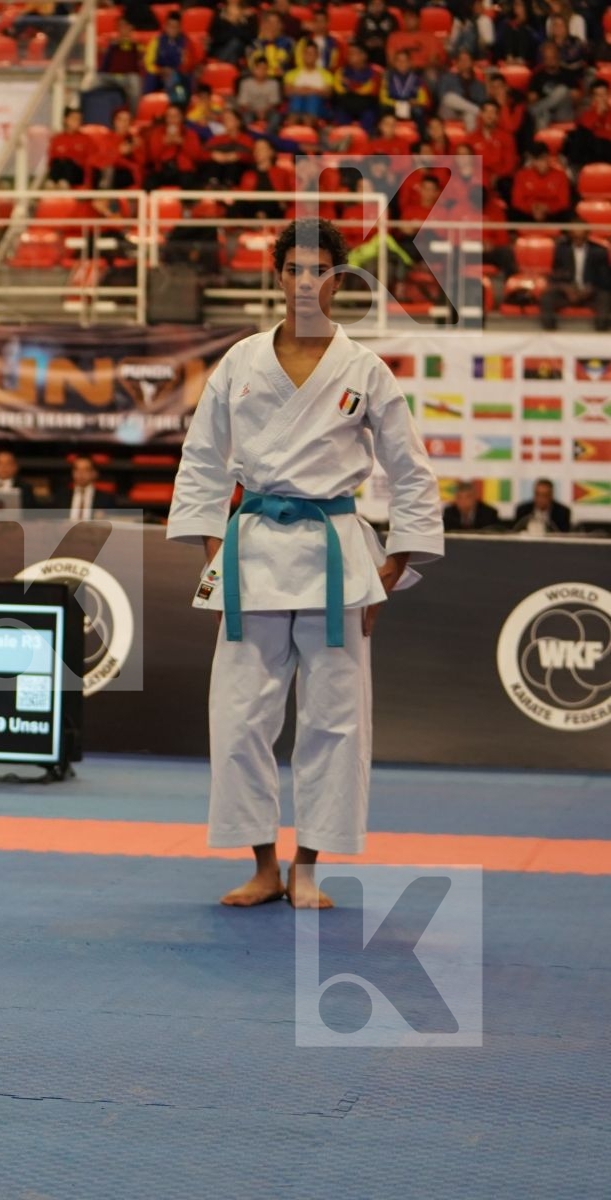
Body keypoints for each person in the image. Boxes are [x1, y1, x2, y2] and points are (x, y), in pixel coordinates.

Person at [166, 218, 443, 910]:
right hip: (253, 549)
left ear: (339, 280)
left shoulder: (364, 369)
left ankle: (308, 866)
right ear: (277, 275)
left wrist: (394, 564)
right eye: (294, 269)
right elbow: (201, 458)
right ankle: (263, 864)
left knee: (335, 719)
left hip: (334, 552)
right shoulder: (240, 361)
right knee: (238, 717)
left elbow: (411, 472)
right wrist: (211, 548)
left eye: (321, 269)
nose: (306, 282)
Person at [539, 227, 611, 333]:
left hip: (591, 293)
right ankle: (550, 333)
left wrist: (591, 289)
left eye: (581, 237)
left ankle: (600, 333)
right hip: (568, 292)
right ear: (570, 236)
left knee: (605, 298)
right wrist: (565, 288)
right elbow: (555, 276)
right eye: (575, 237)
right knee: (547, 297)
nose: (578, 240)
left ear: (588, 235)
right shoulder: (561, 250)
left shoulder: (599, 251)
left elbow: (605, 279)